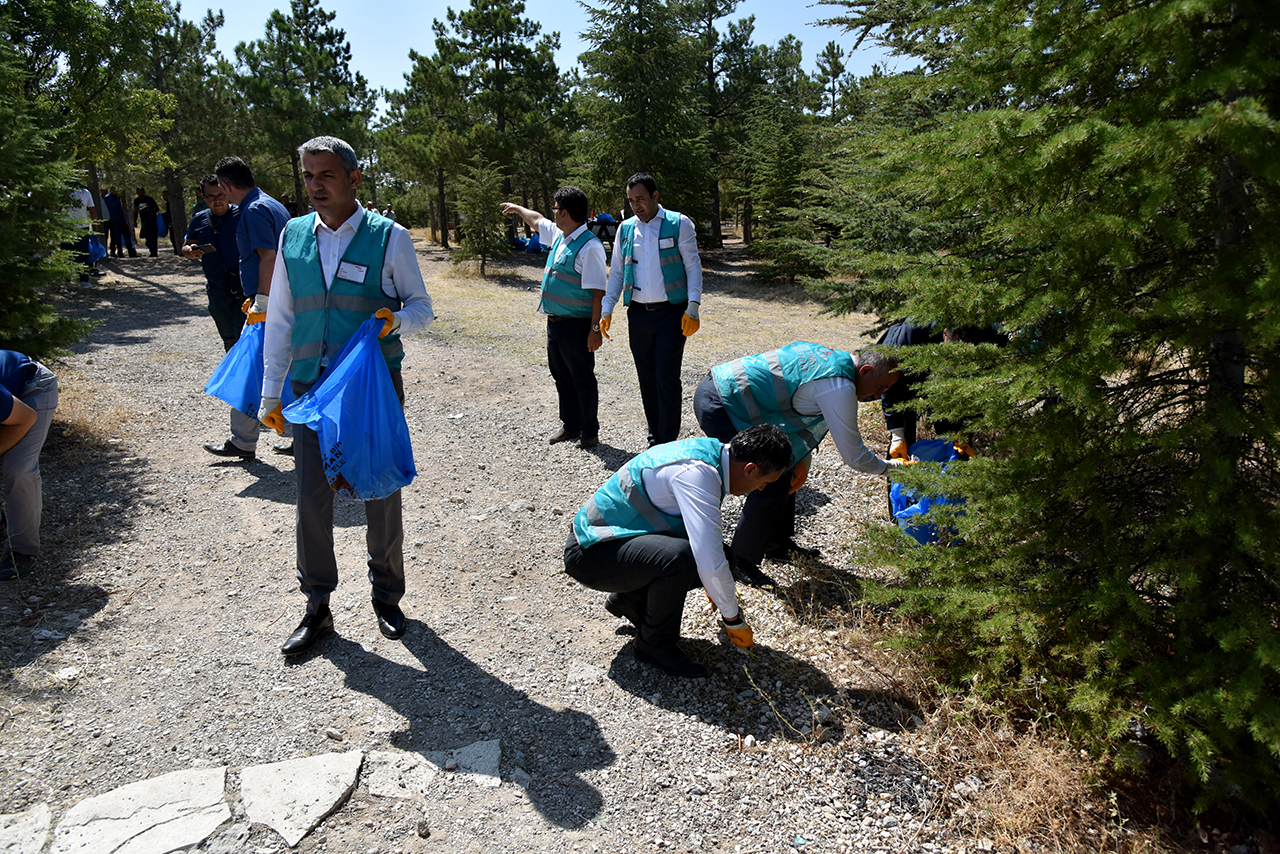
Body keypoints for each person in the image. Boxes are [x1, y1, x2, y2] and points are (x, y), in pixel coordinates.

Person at [259, 135, 435, 657]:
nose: (315, 185)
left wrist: (396, 321)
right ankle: (317, 608)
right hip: (310, 390)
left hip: (369, 391)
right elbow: (282, 321)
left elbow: (422, 307)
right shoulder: (292, 237)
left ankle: (387, 597)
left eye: (326, 175)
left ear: (354, 179)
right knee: (312, 501)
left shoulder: (390, 238)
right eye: (308, 175)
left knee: (379, 492)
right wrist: (271, 393)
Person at [564, 424, 792, 677]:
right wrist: (733, 619)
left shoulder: (715, 455)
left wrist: (717, 585)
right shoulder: (698, 474)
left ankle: (630, 600)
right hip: (589, 552)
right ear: (750, 469)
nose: (761, 489)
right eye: (764, 482)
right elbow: (708, 559)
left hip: (615, 543)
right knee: (680, 560)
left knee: (721, 558)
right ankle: (654, 645)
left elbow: (710, 550)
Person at [693, 342, 904, 587]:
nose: (878, 397)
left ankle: (776, 544)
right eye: (880, 388)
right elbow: (854, 457)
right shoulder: (839, 385)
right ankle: (740, 561)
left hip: (719, 389)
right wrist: (894, 468)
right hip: (722, 404)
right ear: (865, 370)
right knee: (769, 476)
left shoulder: (834, 358)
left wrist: (799, 459)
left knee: (784, 469)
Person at [599, 173, 704, 447]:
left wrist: (693, 305)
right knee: (646, 377)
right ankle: (655, 435)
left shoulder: (678, 224)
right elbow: (618, 273)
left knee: (666, 376)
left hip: (672, 313)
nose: (636, 205)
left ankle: (668, 440)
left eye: (641, 199)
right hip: (638, 314)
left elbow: (692, 266)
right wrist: (606, 308)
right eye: (632, 200)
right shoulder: (626, 229)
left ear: (655, 196)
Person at [500, 188, 607, 448]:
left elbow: (598, 292)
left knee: (582, 378)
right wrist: (517, 208)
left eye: (556, 208)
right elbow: (536, 220)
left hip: (577, 326)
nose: (553, 213)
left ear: (566, 213)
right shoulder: (562, 236)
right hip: (555, 323)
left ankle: (589, 431)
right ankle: (570, 426)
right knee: (562, 377)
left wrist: (595, 329)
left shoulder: (590, 247)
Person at [206, 156, 291, 459]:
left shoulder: (253, 210)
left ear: (227, 186)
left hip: (269, 304)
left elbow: (267, 256)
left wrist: (262, 300)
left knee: (247, 370)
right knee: (285, 368)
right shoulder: (272, 204)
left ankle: (242, 441)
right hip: (283, 299)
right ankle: (296, 436)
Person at [1, 352, 59, 581]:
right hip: (8, 401)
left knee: (18, 468)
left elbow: (25, 417)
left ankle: (22, 550)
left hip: (33, 387)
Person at [102, 189, 138, 258]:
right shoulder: (108, 198)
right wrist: (117, 200)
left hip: (122, 219)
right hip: (114, 219)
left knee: (127, 235)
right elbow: (113, 207)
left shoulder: (116, 198)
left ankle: (131, 252)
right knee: (117, 237)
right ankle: (120, 252)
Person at [134, 188, 160, 257]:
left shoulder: (149, 199)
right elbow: (136, 211)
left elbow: (156, 208)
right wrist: (135, 221)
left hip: (152, 221)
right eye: (139, 192)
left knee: (153, 237)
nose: (140, 193)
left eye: (142, 191)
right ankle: (151, 250)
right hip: (144, 221)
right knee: (147, 237)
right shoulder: (137, 201)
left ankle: (154, 252)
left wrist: (153, 212)